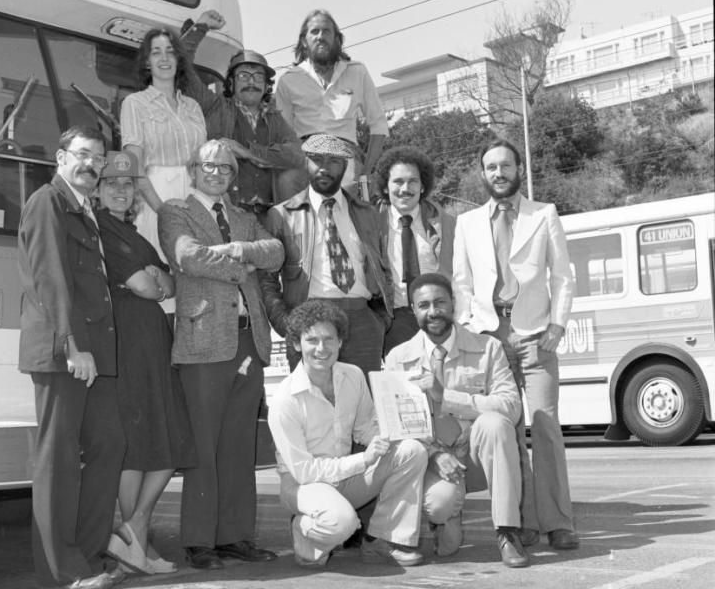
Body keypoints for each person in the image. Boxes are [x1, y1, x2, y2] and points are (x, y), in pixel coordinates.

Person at [157, 140, 284, 570]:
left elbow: (276, 251)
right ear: (193, 170)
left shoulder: (245, 219)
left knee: (237, 446)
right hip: (203, 341)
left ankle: (235, 536)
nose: (217, 174)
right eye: (208, 166)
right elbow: (187, 256)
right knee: (204, 447)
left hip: (249, 340)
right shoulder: (175, 211)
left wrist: (240, 251)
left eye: (226, 169)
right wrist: (240, 268)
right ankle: (199, 541)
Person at [452, 138, 579, 550]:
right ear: (483, 174)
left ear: (519, 170)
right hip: (490, 339)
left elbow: (562, 276)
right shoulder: (467, 223)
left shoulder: (544, 214)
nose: (499, 173)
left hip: (536, 337)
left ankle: (559, 522)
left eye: (506, 166)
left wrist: (557, 326)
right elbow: (461, 284)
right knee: (506, 433)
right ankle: (523, 521)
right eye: (491, 167)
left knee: (545, 428)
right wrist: (470, 328)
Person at [18, 126, 125, 589]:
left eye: (98, 158)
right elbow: (50, 278)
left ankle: (88, 556)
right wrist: (71, 346)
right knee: (58, 460)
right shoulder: (47, 201)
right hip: (67, 354)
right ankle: (63, 574)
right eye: (82, 155)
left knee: (109, 445)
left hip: (92, 355)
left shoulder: (85, 210)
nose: (91, 164)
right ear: (61, 157)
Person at [92, 150, 197, 576]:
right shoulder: (102, 228)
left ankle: (135, 536)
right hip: (130, 344)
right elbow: (147, 286)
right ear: (97, 191)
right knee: (143, 444)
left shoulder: (133, 233)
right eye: (112, 183)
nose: (121, 189)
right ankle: (135, 535)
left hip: (151, 343)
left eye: (128, 183)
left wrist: (154, 277)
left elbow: (168, 284)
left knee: (158, 440)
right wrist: (152, 277)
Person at [267, 299, 427, 568]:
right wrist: (363, 460)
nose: (321, 348)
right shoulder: (285, 401)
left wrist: (394, 433)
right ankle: (305, 531)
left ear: (340, 342)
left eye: (329, 339)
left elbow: (366, 428)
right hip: (303, 486)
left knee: (412, 450)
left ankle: (382, 540)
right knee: (342, 523)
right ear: (296, 344)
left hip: (345, 480)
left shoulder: (352, 375)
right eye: (312, 340)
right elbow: (304, 472)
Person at [384, 273, 528, 568]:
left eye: (440, 302)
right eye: (423, 305)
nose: (433, 311)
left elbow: (511, 406)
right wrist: (435, 454)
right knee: (440, 507)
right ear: (413, 309)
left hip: (475, 456)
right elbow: (394, 425)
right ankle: (444, 520)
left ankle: (507, 532)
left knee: (496, 424)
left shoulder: (488, 348)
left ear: (454, 304)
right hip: (434, 461)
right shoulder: (398, 358)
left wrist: (445, 396)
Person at [259, 133, 393, 378]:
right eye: (316, 160)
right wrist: (287, 325)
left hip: (362, 321)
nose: (324, 168)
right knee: (314, 408)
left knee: (362, 408)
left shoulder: (367, 214)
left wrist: (380, 319)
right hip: (308, 322)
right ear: (305, 163)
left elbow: (384, 269)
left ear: (345, 166)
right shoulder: (281, 216)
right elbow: (266, 280)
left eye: (333, 161)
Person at [178, 10, 307, 215]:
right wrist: (200, 27)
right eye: (244, 75)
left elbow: (297, 154)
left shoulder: (274, 118)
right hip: (227, 212)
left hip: (268, 215)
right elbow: (179, 67)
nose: (251, 81)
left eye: (258, 76)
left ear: (266, 86)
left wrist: (247, 151)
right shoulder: (215, 106)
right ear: (231, 82)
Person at [120, 26, 207, 277]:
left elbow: (203, 159)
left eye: (170, 52)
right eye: (156, 52)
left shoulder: (193, 107)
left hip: (194, 198)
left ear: (179, 59)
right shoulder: (134, 104)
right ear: (147, 61)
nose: (164, 58)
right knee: (162, 275)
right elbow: (133, 164)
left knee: (195, 281)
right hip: (155, 197)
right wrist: (162, 209)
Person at [275, 9, 389, 195]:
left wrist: (367, 171)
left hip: (344, 151)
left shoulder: (357, 72)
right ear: (304, 40)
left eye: (326, 31)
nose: (320, 36)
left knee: (346, 190)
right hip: (305, 153)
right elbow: (284, 134)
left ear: (337, 39)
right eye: (314, 31)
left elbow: (379, 125)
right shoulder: (289, 80)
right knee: (286, 182)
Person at [375, 146, 455, 356]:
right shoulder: (370, 225)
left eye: (412, 181)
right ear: (385, 186)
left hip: (438, 316)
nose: (405, 188)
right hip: (395, 322)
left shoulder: (446, 224)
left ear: (422, 186)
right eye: (398, 181)